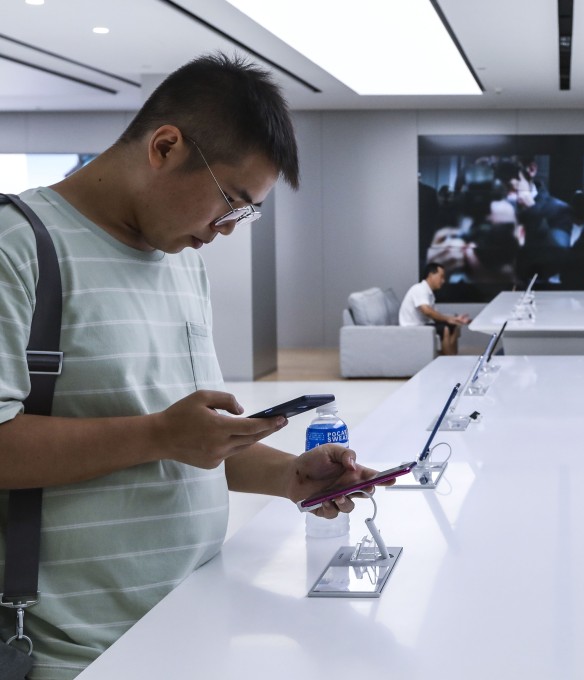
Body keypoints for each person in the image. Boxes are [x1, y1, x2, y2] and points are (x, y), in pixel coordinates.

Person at [0, 53, 389, 679]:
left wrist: (291, 476)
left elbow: (186, 445)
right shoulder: (17, 248)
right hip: (73, 654)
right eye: (230, 202)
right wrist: (158, 433)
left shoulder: (181, 261)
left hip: (195, 623)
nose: (227, 230)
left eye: (245, 214)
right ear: (165, 147)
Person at [399, 262, 470, 355]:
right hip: (413, 327)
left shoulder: (429, 294)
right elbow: (427, 311)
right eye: (441, 276)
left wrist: (455, 319)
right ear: (431, 275)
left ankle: (452, 356)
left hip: (422, 325)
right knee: (444, 328)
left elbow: (436, 315)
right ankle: (448, 359)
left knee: (453, 325)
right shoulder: (419, 289)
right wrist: (448, 319)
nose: (443, 281)